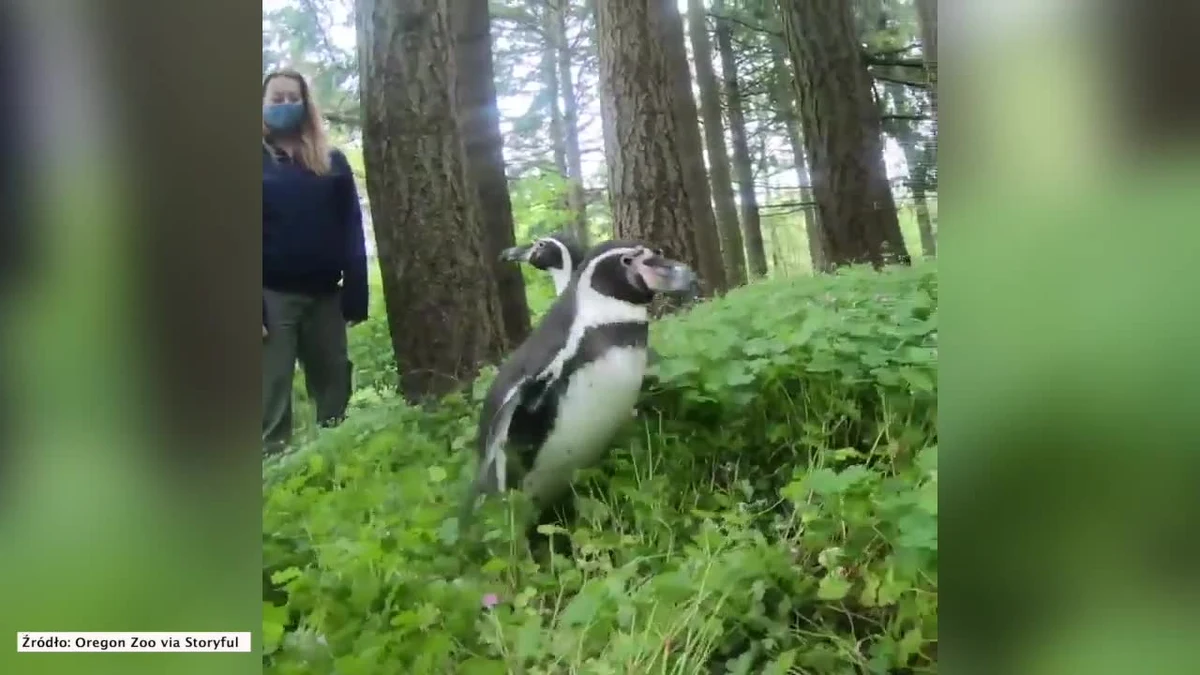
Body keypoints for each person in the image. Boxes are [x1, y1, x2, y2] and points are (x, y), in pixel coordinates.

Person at [261, 68, 368, 455]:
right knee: (269, 389)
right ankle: (273, 469)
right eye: (277, 99)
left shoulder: (332, 162)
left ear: (306, 106)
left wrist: (356, 291)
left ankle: (334, 461)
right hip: (271, 297)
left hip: (326, 295)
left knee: (334, 383)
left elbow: (351, 227)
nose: (285, 105)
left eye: (294, 98)